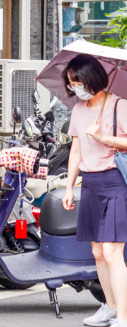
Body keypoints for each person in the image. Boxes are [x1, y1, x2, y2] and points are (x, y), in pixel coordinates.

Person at [62, 54, 127, 327]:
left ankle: (123, 317)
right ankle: (110, 307)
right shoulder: (78, 110)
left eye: (76, 81)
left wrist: (102, 137)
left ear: (92, 78)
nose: (74, 87)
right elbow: (76, 149)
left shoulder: (119, 105)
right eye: (70, 83)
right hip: (89, 183)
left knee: (113, 253)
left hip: (114, 181)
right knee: (98, 252)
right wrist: (68, 187)